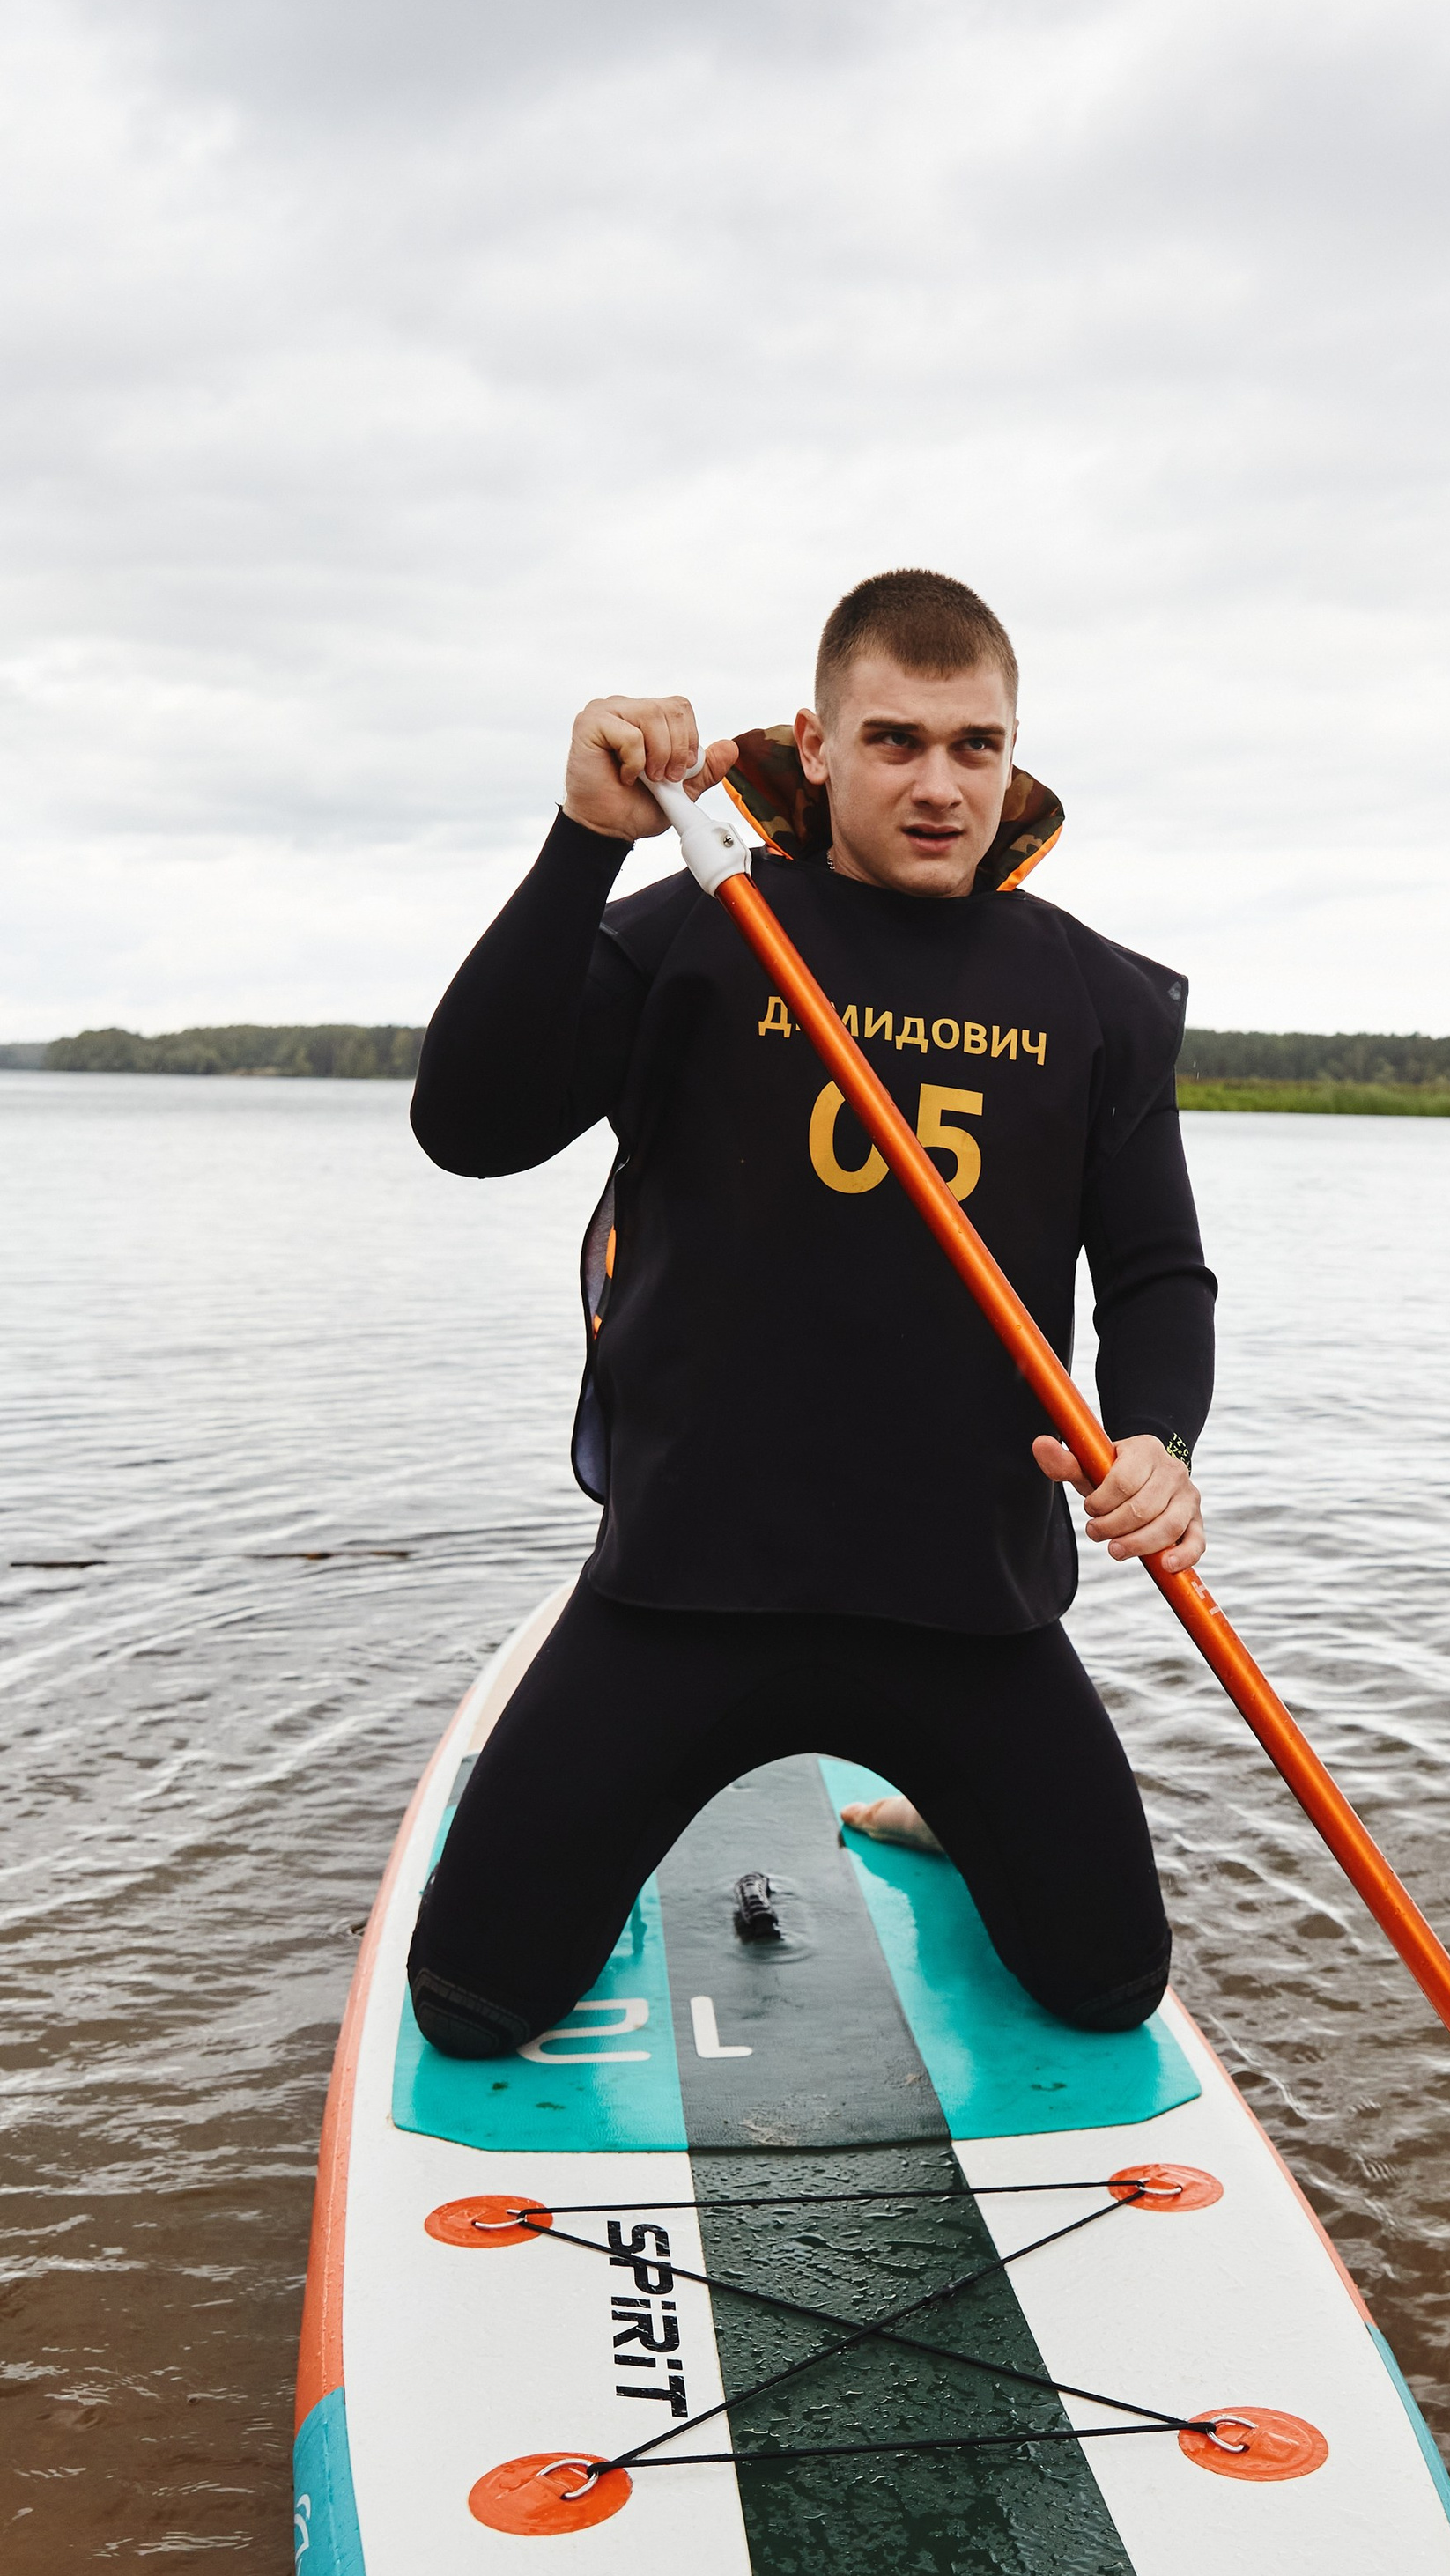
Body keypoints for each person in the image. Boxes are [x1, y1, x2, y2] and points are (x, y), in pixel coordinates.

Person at [404, 568, 1216, 2057]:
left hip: (967, 1604)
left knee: (1109, 1988)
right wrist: (588, 845)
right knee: (472, 2007)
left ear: (1014, 758)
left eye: (977, 747)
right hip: (687, 1587)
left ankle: (947, 1808)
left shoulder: (1092, 995)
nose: (940, 784)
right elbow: (467, 1122)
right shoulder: (709, 926)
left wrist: (1158, 1437)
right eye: (896, 740)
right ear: (817, 744)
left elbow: (1159, 1274)